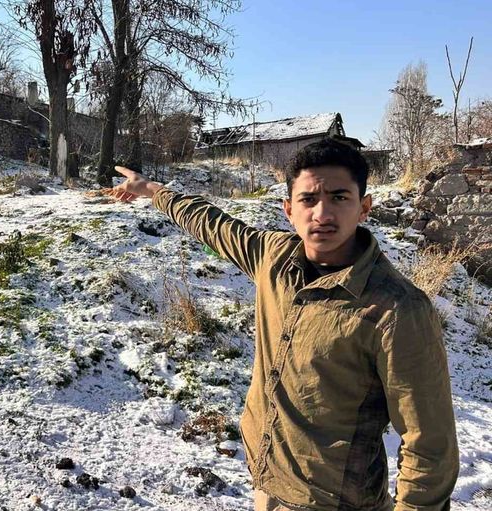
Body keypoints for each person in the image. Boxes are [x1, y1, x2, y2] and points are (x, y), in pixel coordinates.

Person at [105, 138, 459, 511]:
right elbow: (211, 223)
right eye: (308, 199)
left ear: (364, 208)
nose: (322, 213)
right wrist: (150, 189)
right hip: (268, 481)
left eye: (339, 197)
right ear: (289, 209)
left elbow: (429, 445)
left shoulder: (398, 309)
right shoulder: (274, 257)